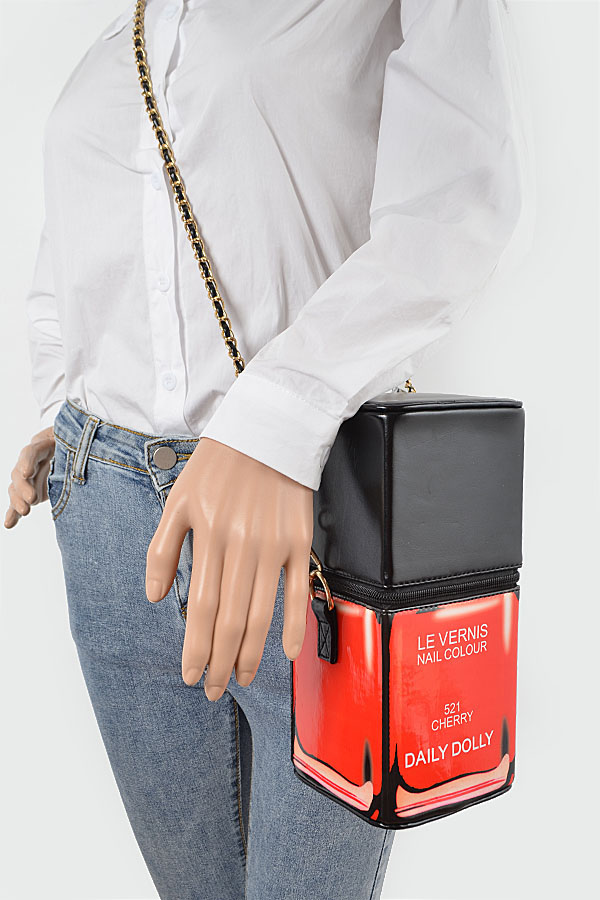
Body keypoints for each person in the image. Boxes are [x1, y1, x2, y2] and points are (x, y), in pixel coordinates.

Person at [5, 1, 534, 898]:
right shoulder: (123, 34)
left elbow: (456, 208)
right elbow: (76, 257)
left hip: (310, 510)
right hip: (104, 514)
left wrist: (274, 417)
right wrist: (71, 404)